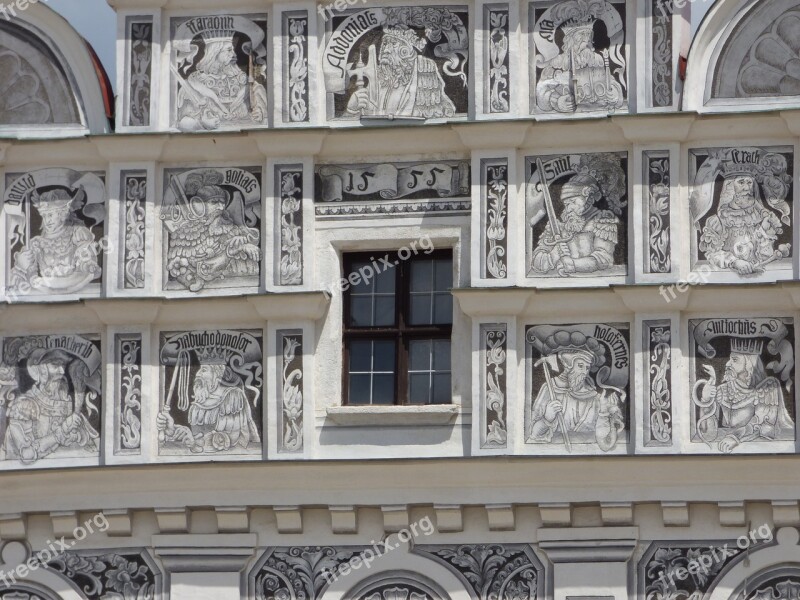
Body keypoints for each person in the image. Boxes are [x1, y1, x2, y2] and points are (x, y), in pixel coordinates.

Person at [164, 170, 260, 292]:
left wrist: (246, 247)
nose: (221, 207)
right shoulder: (183, 235)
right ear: (198, 205)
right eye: (214, 202)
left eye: (222, 202)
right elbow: (183, 270)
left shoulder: (233, 231)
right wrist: (231, 253)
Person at [697, 339, 794, 453]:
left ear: (749, 364)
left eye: (734, 360)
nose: (728, 364)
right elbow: (709, 434)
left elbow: (763, 426)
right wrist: (706, 400)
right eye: (729, 359)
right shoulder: (722, 390)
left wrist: (735, 437)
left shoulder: (767, 388)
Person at [3, 349, 98, 464]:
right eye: (55, 365)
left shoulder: (67, 404)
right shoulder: (23, 406)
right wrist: (62, 431)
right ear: (41, 369)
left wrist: (76, 434)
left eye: (63, 365)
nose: (62, 371)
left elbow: (90, 448)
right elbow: (27, 455)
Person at [345, 26, 456, 119]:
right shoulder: (378, 81)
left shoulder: (422, 72)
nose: (386, 50)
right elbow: (360, 122)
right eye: (384, 45)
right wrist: (352, 109)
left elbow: (443, 115)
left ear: (405, 51)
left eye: (393, 44)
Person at [530, 345, 624, 450]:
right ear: (568, 365)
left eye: (587, 367)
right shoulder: (550, 388)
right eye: (580, 366)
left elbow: (606, 445)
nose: (584, 372)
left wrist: (605, 413)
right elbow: (533, 435)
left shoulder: (596, 398)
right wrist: (547, 418)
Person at [10, 189, 101, 294]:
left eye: (50, 215)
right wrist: (21, 267)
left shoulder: (78, 234)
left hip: (79, 293)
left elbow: (84, 272)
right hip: (43, 297)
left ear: (62, 214)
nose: (47, 220)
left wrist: (42, 282)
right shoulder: (35, 243)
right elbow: (13, 287)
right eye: (44, 216)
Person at [157, 361, 260, 453]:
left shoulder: (232, 397)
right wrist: (172, 429)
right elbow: (196, 440)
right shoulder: (197, 407)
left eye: (204, 370)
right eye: (199, 370)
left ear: (218, 376)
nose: (198, 374)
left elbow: (227, 441)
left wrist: (193, 440)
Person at [530, 173, 619, 276]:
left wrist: (572, 264)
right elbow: (536, 263)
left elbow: (603, 259)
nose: (568, 209)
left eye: (572, 202)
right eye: (566, 204)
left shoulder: (603, 222)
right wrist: (553, 255)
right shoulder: (558, 226)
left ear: (587, 197)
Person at [177, 35, 268, 131]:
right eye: (228, 50)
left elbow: (261, 115)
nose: (234, 54)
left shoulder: (245, 82)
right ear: (215, 52)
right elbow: (182, 122)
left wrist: (259, 114)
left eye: (233, 50)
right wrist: (201, 123)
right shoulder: (195, 83)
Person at [699, 174, 784, 276]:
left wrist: (763, 231)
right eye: (741, 182)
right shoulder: (717, 221)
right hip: (726, 280)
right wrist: (734, 262)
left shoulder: (758, 218)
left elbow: (766, 257)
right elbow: (711, 254)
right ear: (730, 186)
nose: (747, 188)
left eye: (749, 182)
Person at [535, 21, 623, 113]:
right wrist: (557, 102)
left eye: (589, 39)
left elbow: (609, 80)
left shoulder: (597, 59)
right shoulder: (558, 63)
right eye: (581, 39)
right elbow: (542, 90)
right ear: (570, 42)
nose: (587, 43)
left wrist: (615, 93)